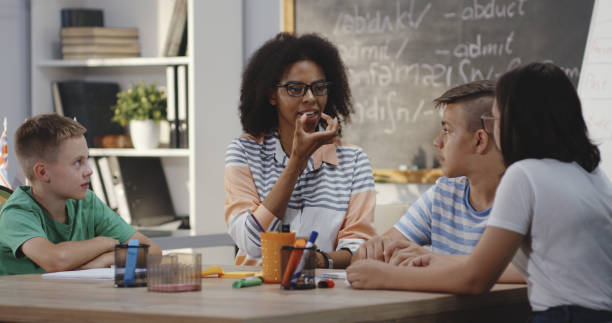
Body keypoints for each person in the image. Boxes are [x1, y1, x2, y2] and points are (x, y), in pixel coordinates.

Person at [347, 62, 612, 322]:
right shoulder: (590, 174)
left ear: (518, 122)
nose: (495, 131)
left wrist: (385, 277)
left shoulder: (524, 175)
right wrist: (434, 259)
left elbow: (476, 279)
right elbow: (522, 269)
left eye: (498, 118)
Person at [224, 32, 376, 269]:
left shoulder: (354, 160)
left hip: (323, 292)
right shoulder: (244, 151)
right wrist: (297, 161)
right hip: (256, 292)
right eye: (295, 89)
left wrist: (318, 260)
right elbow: (252, 243)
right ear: (272, 95)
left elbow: (359, 249)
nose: (310, 98)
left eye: (318, 88)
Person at [351, 80, 522, 282]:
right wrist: (371, 250)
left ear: (480, 140)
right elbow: (363, 259)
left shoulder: (523, 196)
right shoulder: (443, 194)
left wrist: (433, 259)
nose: (437, 142)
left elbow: (528, 271)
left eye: (447, 130)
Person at [0, 114, 161, 276]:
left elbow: (152, 251)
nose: (89, 171)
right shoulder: (16, 213)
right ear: (43, 172)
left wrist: (109, 259)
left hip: (67, 299)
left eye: (87, 160)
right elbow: (56, 261)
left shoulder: (87, 203)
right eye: (78, 162)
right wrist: (105, 243)